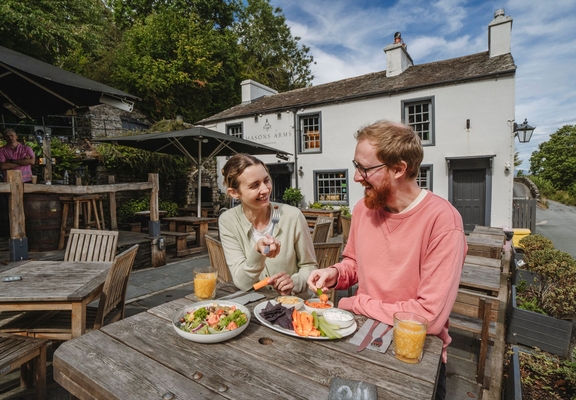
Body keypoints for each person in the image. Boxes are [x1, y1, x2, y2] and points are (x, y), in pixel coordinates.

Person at [306, 120, 467, 400]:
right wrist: (336, 273)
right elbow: (355, 263)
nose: (356, 177)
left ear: (398, 169)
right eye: (356, 166)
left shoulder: (443, 221)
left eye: (365, 169)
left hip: (414, 357)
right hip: (359, 338)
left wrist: (355, 303)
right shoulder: (363, 209)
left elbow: (428, 318)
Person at [219, 153, 317, 298]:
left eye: (266, 180)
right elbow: (242, 283)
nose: (265, 189)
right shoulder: (228, 221)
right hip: (257, 307)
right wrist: (257, 253)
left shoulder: (292, 216)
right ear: (234, 193)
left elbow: (309, 266)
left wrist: (293, 282)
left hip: (295, 305)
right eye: (254, 185)